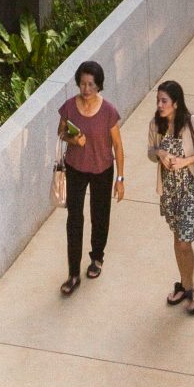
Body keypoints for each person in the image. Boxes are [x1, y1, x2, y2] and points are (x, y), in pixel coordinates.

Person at [147, 76, 194, 316]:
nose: (160, 105)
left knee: (184, 242)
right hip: (170, 193)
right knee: (178, 241)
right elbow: (150, 152)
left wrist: (185, 161)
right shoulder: (155, 124)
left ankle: (190, 288)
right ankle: (185, 286)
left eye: (164, 101)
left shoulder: (191, 122)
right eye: (158, 100)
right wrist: (160, 153)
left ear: (176, 103)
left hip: (191, 192)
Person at [54, 59, 125, 294]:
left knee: (99, 215)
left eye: (91, 85)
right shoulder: (69, 107)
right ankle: (73, 274)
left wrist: (120, 179)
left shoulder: (108, 111)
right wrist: (73, 139)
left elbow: (118, 146)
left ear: (99, 85)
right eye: (83, 83)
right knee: (74, 218)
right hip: (75, 168)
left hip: (102, 169)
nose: (86, 89)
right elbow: (61, 132)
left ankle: (97, 258)